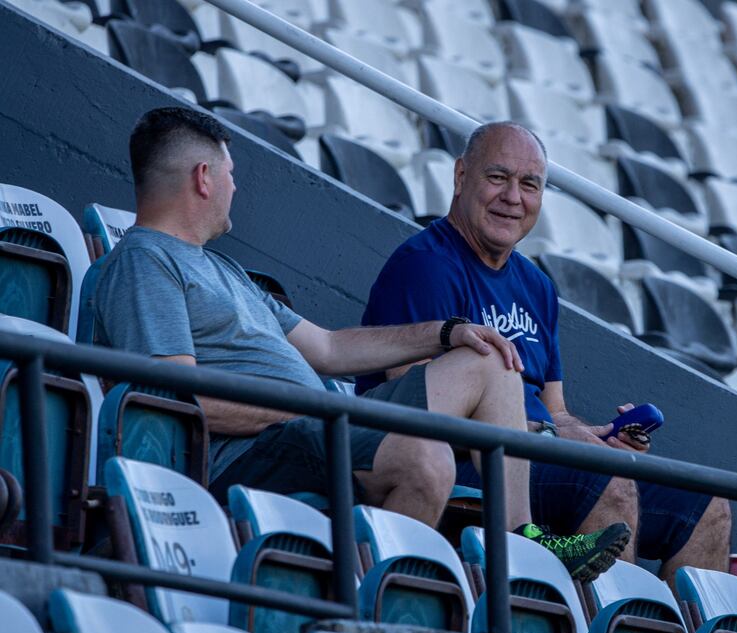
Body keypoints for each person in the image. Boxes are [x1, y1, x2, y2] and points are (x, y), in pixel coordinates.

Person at [95, 106, 629, 581]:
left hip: (315, 427)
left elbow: (328, 349)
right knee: (428, 458)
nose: (238, 188)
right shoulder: (146, 260)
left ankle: (517, 540)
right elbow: (171, 396)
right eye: (233, 175)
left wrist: (447, 332)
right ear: (204, 178)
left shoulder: (224, 268)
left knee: (480, 371)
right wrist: (303, 408)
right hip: (265, 447)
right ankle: (362, 607)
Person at [358, 121, 731, 588]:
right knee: (605, 481)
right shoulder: (425, 264)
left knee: (706, 508)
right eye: (498, 177)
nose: (513, 197)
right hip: (471, 461)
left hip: (538, 452)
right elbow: (416, 404)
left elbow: (553, 409)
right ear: (459, 177)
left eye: (529, 184)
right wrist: (553, 436)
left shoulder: (537, 286)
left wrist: (596, 434)